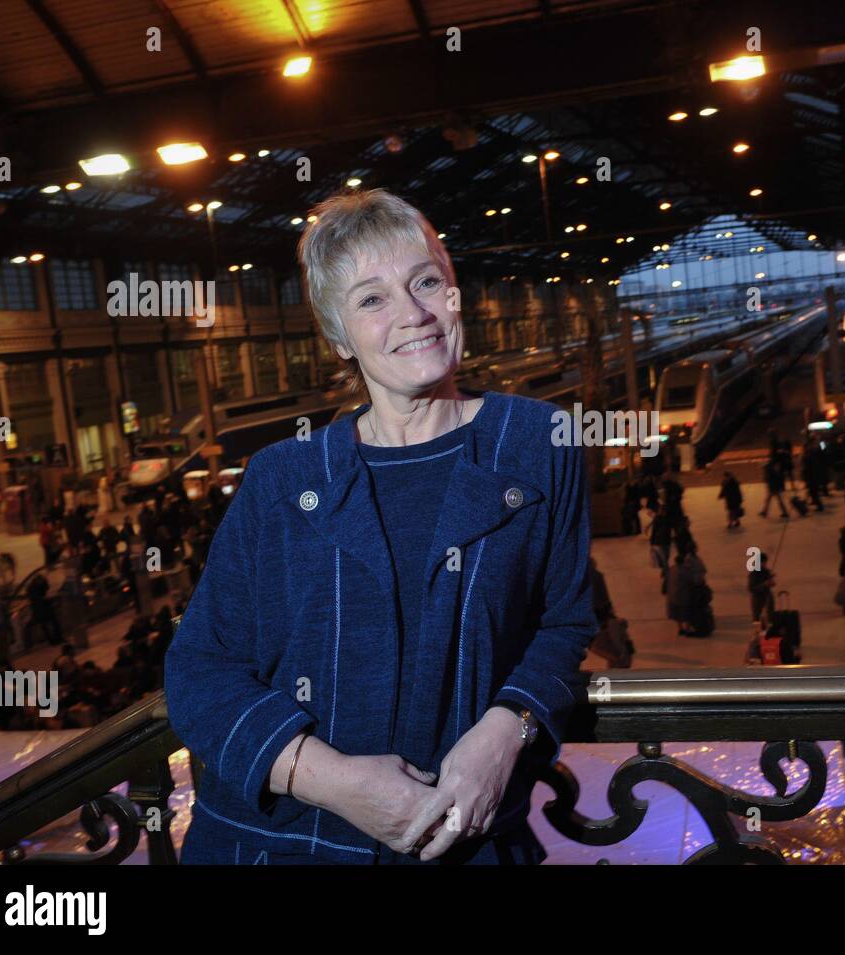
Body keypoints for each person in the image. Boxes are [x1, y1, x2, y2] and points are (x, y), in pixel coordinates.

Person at [165, 189, 595, 866]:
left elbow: (564, 622)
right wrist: (331, 780)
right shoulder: (281, 479)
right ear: (339, 337)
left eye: (426, 282)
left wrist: (507, 727)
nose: (414, 314)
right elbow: (199, 668)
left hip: (463, 844)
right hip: (284, 845)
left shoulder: (538, 442)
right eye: (371, 299)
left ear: (455, 296)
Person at [649, 505, 673, 592]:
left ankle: (664, 570)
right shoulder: (657, 519)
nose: (662, 512)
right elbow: (654, 531)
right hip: (659, 542)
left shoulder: (668, 519)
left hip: (666, 542)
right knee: (664, 561)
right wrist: (652, 543)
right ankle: (666, 581)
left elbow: (670, 530)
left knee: (666, 558)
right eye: (661, 511)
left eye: (664, 511)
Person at [748, 555, 776, 625]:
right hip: (757, 598)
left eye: (765, 562)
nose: (764, 564)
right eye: (762, 562)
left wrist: (771, 582)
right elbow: (750, 588)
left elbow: (772, 584)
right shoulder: (753, 574)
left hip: (767, 596)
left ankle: (770, 628)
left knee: (770, 615)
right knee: (756, 617)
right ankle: (757, 632)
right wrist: (763, 584)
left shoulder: (767, 572)